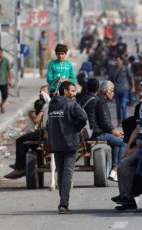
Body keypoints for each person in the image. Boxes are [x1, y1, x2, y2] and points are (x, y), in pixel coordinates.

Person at [112, 87, 142, 211]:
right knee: (124, 159)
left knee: (123, 164)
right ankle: (127, 196)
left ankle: (128, 197)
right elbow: (138, 128)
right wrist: (128, 146)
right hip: (139, 144)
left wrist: (135, 148)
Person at [47, 81, 88, 214]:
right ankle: (63, 204)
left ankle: (62, 201)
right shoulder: (72, 105)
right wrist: (76, 127)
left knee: (61, 172)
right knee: (67, 173)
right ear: (65, 91)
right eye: (72, 91)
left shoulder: (52, 105)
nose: (74, 93)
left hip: (55, 143)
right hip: (69, 143)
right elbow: (83, 117)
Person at [81, 80, 125, 182]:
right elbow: (103, 121)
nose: (113, 93)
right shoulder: (98, 101)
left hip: (86, 132)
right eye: (112, 91)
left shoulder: (83, 99)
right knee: (123, 142)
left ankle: (114, 172)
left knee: (116, 143)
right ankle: (115, 169)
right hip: (97, 133)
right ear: (106, 91)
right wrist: (113, 131)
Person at [4, 85, 50, 179]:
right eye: (41, 91)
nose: (41, 94)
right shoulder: (63, 102)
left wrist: (30, 114)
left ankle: (20, 168)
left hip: (46, 133)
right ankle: (25, 162)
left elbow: (37, 120)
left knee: (20, 141)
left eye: (44, 92)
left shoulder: (47, 104)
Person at [108, 56, 135, 127]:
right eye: (116, 60)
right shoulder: (112, 69)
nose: (116, 62)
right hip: (116, 91)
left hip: (125, 90)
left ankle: (124, 121)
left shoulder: (126, 69)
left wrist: (133, 87)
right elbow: (109, 80)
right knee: (118, 107)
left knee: (123, 105)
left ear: (122, 61)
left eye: (118, 60)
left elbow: (131, 77)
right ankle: (119, 121)